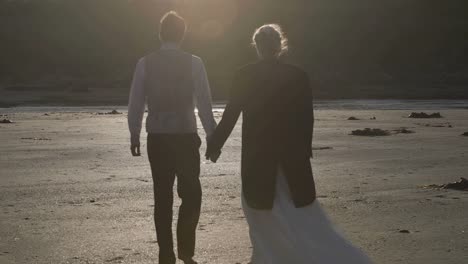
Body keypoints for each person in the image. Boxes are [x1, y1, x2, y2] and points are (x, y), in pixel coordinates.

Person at [206, 24, 373, 263]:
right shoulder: (297, 76)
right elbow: (306, 118)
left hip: (258, 157)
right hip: (291, 157)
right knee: (299, 213)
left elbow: (231, 114)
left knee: (260, 210)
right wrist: (304, 151)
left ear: (257, 47)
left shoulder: (245, 74)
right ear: (280, 46)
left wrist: (215, 144)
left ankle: (269, 256)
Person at [128, 11, 216, 264]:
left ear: (160, 33)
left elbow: (135, 103)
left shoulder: (145, 63)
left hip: (157, 137)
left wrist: (134, 134)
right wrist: (212, 135)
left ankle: (166, 253)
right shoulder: (194, 62)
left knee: (162, 197)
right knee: (191, 195)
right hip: (185, 136)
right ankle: (186, 250)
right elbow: (204, 103)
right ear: (183, 34)